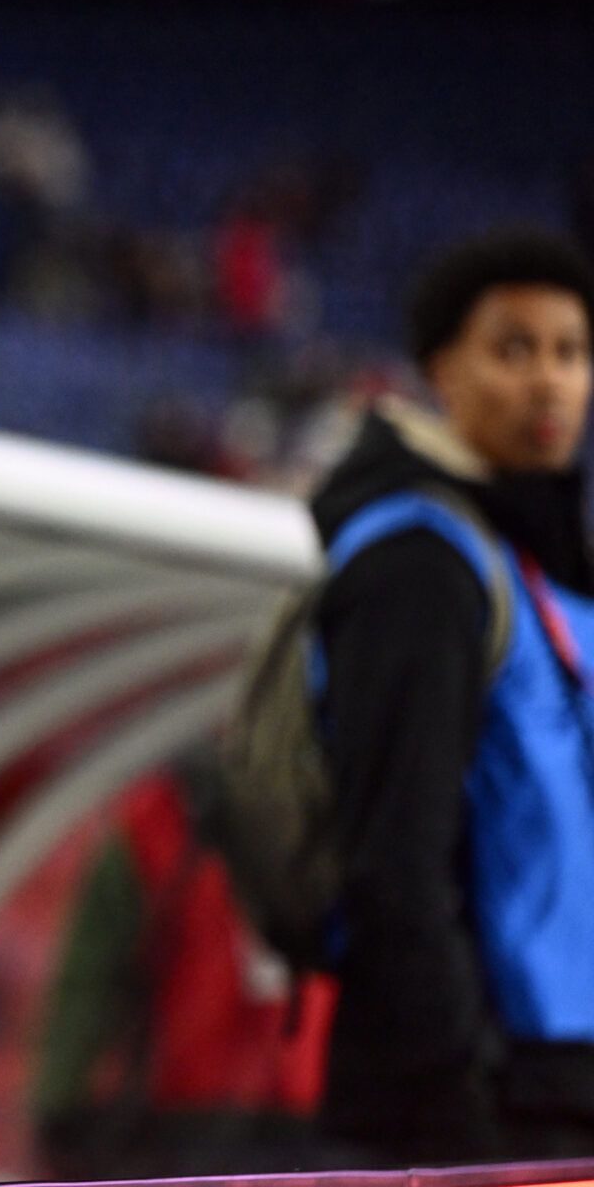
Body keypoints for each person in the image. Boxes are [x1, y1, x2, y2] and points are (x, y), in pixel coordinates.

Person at [308, 230, 594, 1163]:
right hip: (479, 1092)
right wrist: (456, 1099)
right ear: (443, 371)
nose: (550, 382)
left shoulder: (542, 562)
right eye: (513, 349)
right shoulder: (420, 560)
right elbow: (396, 853)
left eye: (571, 351)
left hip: (553, 1073)